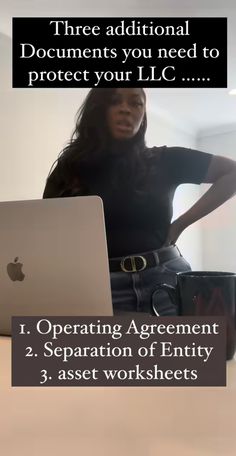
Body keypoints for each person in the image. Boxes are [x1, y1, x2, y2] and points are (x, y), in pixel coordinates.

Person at [43, 88, 236, 316]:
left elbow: (231, 173)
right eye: (115, 101)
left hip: (166, 281)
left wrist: (180, 224)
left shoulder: (165, 160)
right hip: (104, 288)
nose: (126, 109)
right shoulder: (70, 169)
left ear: (143, 114)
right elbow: (49, 230)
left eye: (136, 104)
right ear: (99, 109)